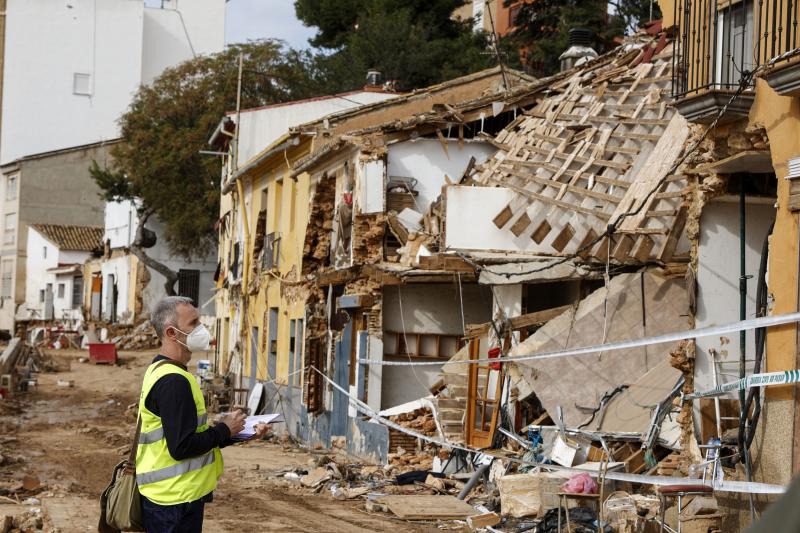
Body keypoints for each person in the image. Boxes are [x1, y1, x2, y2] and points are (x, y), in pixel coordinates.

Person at [136, 296, 268, 532]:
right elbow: (182, 447)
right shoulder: (173, 381)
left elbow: (189, 437)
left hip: (172, 498)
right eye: (193, 323)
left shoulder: (161, 370)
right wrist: (224, 429)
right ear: (171, 332)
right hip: (174, 503)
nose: (201, 328)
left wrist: (238, 433)